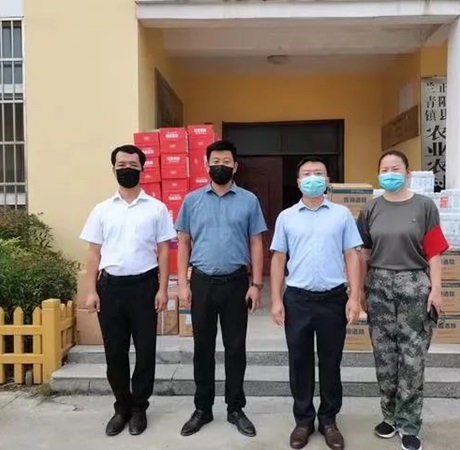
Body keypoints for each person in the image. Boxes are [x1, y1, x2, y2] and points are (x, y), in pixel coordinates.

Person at [80, 144, 176, 437]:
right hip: (110, 288)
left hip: (145, 287)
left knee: (146, 352)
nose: (127, 170)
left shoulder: (157, 208)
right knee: (115, 353)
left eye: (133, 165)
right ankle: (121, 407)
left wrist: (163, 289)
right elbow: (93, 253)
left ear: (142, 170)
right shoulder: (101, 210)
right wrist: (91, 291)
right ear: (113, 169)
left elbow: (163, 251)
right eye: (121, 165)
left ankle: (139, 408)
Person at [356, 150, 449, 450]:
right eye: (384, 169)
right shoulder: (370, 209)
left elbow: (434, 252)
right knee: (384, 356)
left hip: (414, 285)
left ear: (407, 173)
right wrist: (360, 292)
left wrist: (436, 289)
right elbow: (364, 254)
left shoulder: (424, 206)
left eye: (395, 168)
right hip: (379, 286)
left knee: (412, 357)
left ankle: (409, 424)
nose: (390, 173)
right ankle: (389, 416)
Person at [175, 140, 268, 438]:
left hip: (236, 284)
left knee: (235, 348)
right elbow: (183, 243)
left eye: (226, 161)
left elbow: (256, 242)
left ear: (235, 166)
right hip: (201, 282)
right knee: (202, 348)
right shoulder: (192, 201)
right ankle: (202, 408)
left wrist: (256, 284)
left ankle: (235, 408)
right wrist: (183, 284)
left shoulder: (249, 201)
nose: (221, 166)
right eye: (215, 161)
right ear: (206, 165)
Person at [270, 156, 363, 450]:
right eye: (306, 174)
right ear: (298, 182)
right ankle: (303, 421)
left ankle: (329, 420)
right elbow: (278, 258)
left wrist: (355, 298)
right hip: (297, 299)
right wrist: (276, 299)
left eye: (318, 173)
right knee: (299, 362)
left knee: (330, 362)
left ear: (327, 180)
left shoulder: (341, 215)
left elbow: (352, 255)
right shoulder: (286, 217)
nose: (312, 178)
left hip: (333, 298)